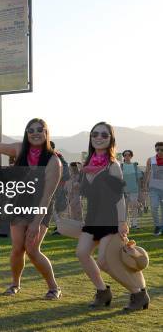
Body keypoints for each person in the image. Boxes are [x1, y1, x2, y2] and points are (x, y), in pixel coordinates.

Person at [0, 118, 63, 300]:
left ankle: (54, 287)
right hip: (20, 204)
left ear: (46, 133)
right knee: (17, 248)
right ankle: (15, 284)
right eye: (31, 130)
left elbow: (47, 196)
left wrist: (36, 223)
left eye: (39, 129)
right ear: (26, 133)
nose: (35, 133)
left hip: (40, 207)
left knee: (32, 249)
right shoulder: (20, 149)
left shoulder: (53, 161)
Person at [75, 122, 149, 310]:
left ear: (111, 139)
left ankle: (138, 294)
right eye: (95, 134)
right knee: (82, 253)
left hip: (110, 220)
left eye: (104, 135)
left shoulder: (113, 165)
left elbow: (119, 198)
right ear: (90, 138)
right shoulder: (88, 164)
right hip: (92, 220)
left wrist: (122, 222)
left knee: (105, 261)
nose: (98, 137)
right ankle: (102, 291)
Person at [143, 141, 163, 236]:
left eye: (161, 150)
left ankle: (161, 226)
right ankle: (157, 225)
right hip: (153, 188)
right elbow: (147, 172)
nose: (159, 151)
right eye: (157, 149)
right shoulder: (151, 160)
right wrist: (145, 185)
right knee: (154, 207)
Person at [121, 150, 143, 229]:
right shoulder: (121, 166)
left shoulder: (135, 166)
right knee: (124, 209)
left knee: (134, 208)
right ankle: (125, 225)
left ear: (131, 156)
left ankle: (134, 224)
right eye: (125, 155)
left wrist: (141, 191)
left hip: (134, 190)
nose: (127, 156)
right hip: (124, 191)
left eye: (129, 155)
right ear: (123, 156)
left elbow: (140, 180)